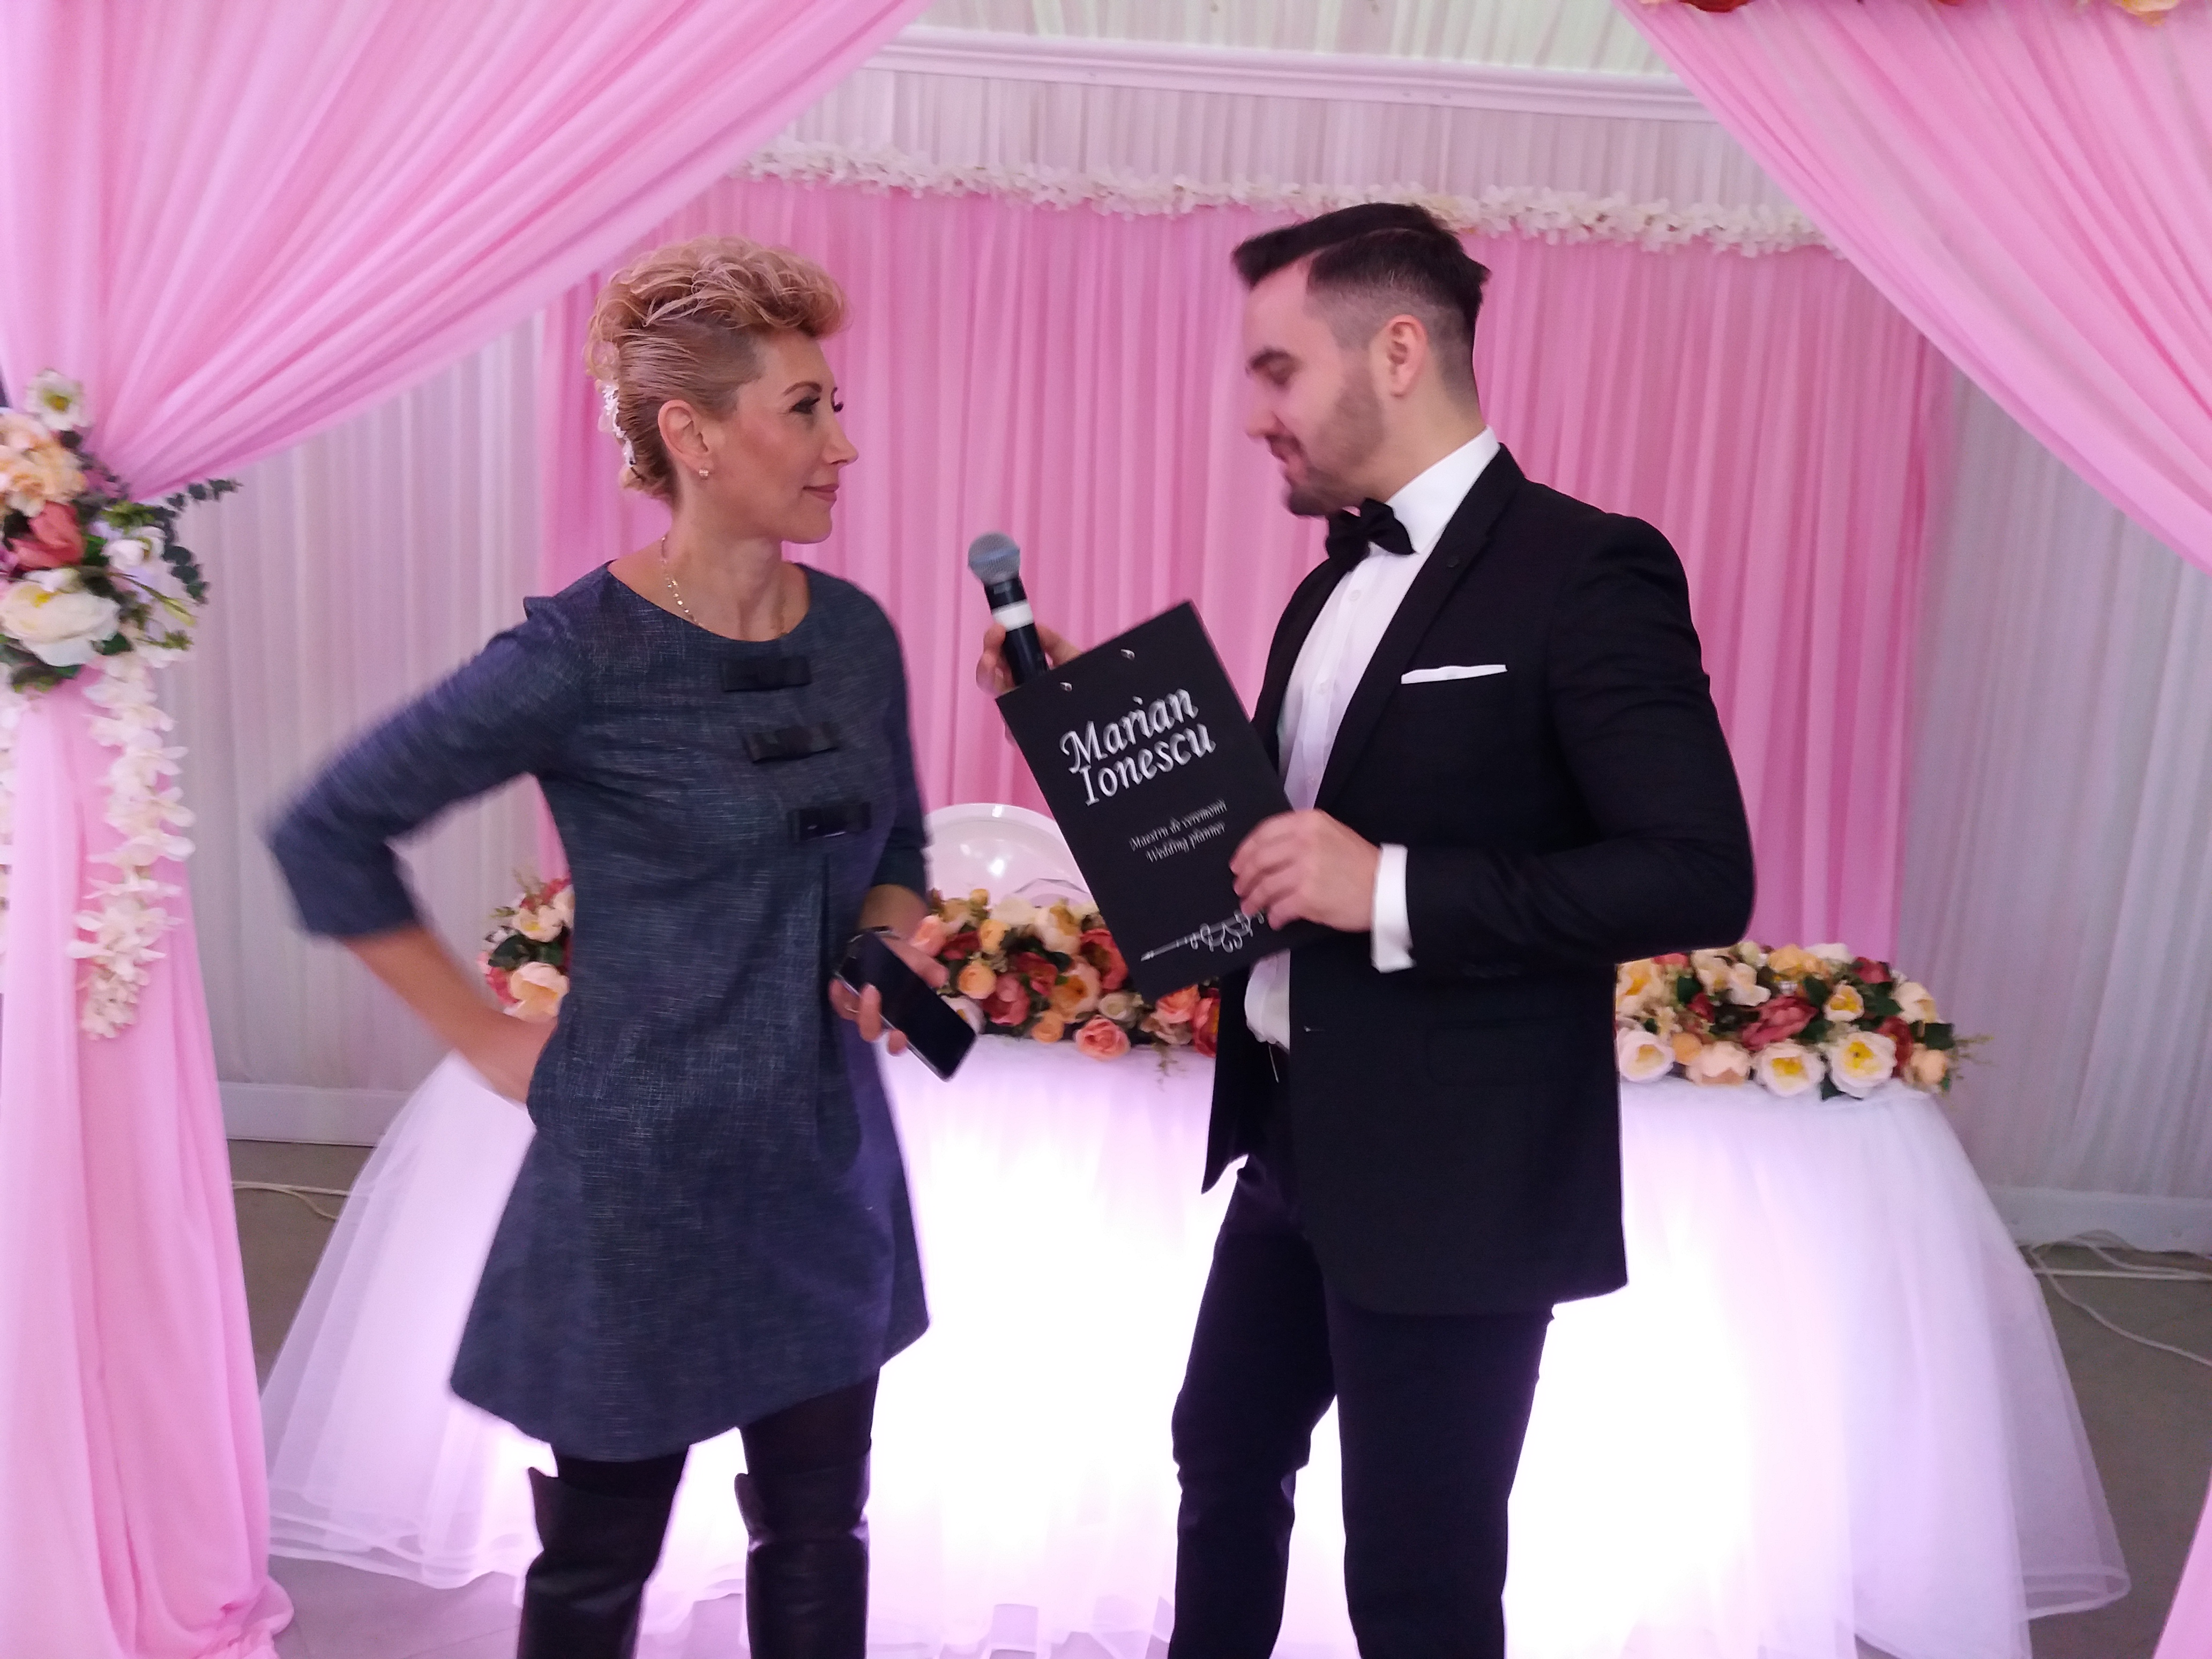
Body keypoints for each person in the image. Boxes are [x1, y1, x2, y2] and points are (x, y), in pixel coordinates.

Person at [980, 203, 1755, 1657]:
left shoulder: (1590, 568)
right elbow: (1279, 853)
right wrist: (1105, 729)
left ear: (1398, 351)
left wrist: (1390, 888)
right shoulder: (1327, 585)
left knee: (1417, 1582)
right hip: (1290, 1136)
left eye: (1277, 369)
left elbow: (1696, 874)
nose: (1254, 414)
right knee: (1221, 1461)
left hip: (1462, 1174)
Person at [270, 235, 941, 1659]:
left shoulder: (858, 638)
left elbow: (901, 852)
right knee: (595, 1569)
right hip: (642, 1181)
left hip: (824, 1171)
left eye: (836, 405)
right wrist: (487, 1038)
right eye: (807, 409)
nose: (845, 445)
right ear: (693, 436)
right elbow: (328, 827)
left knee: (820, 1534)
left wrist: (889, 944)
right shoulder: (579, 658)